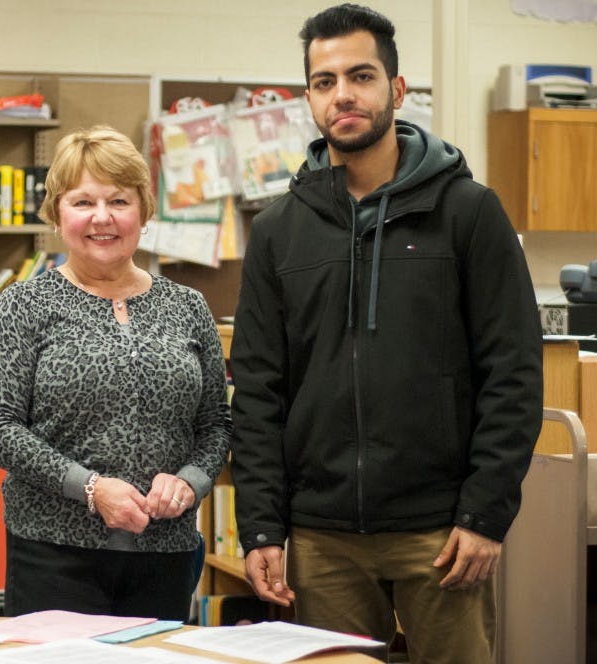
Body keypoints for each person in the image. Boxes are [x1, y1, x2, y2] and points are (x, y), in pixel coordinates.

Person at [229, 4, 543, 662]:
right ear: (310, 98)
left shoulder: (468, 212)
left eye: (361, 75)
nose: (342, 93)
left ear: (396, 91)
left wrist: (485, 513)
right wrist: (261, 526)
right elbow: (257, 389)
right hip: (320, 539)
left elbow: (512, 372)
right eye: (324, 81)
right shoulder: (280, 231)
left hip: (442, 533)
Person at [0, 125, 231, 620]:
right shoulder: (23, 306)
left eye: (118, 201)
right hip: (54, 552)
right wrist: (91, 488)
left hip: (168, 553)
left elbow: (216, 425)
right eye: (82, 202)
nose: (102, 218)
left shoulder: (188, 306)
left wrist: (191, 480)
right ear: (56, 214)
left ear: (143, 211)